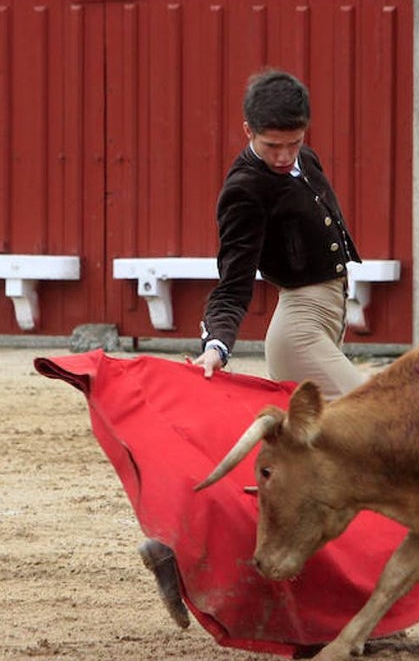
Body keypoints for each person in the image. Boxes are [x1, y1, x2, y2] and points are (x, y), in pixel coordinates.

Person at [141, 68, 370, 628]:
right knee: (380, 421)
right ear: (248, 130)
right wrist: (216, 345)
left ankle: (178, 549)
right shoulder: (244, 189)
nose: (284, 155)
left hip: (325, 318)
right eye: (272, 145)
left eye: (294, 142)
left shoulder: (301, 156)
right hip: (299, 331)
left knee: (301, 475)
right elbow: (235, 280)